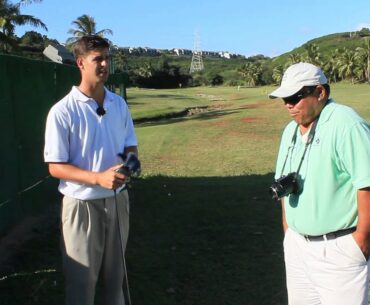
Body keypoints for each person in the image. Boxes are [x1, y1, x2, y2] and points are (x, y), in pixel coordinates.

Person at [44, 35, 138, 305]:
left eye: (107, 58)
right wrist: (98, 178)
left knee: (115, 281)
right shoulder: (62, 111)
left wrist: (127, 168)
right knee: (82, 285)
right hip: (81, 206)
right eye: (98, 58)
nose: (105, 64)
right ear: (81, 63)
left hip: (118, 201)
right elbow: (56, 167)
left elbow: (131, 149)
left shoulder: (118, 104)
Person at [269, 62, 370, 305]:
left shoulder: (346, 124)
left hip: (338, 249)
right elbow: (283, 183)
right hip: (297, 246)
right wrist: (288, 228)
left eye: (295, 97)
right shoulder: (290, 132)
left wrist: (362, 239)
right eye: (284, 99)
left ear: (320, 92)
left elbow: (366, 184)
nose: (289, 105)